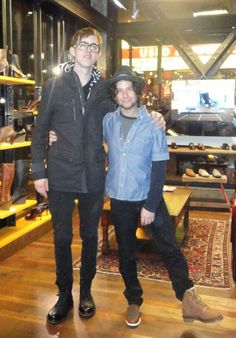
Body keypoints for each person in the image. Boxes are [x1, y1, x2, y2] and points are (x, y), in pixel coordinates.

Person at [31, 27, 165, 325]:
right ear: (72, 50)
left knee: (90, 236)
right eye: (83, 45)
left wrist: (154, 116)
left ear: (98, 53)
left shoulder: (106, 89)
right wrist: (38, 171)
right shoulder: (53, 86)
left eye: (94, 46)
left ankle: (87, 292)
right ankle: (64, 294)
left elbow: (128, 108)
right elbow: (40, 131)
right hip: (61, 174)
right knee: (62, 237)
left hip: (93, 175)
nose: (89, 50)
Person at [103, 65, 223, 328]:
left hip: (148, 198)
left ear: (137, 92)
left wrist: (149, 204)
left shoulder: (153, 123)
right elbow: (88, 140)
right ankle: (133, 300)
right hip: (120, 199)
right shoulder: (108, 121)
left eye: (129, 89)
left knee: (170, 247)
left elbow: (159, 167)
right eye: (119, 90)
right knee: (126, 254)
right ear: (115, 94)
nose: (124, 95)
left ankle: (189, 300)